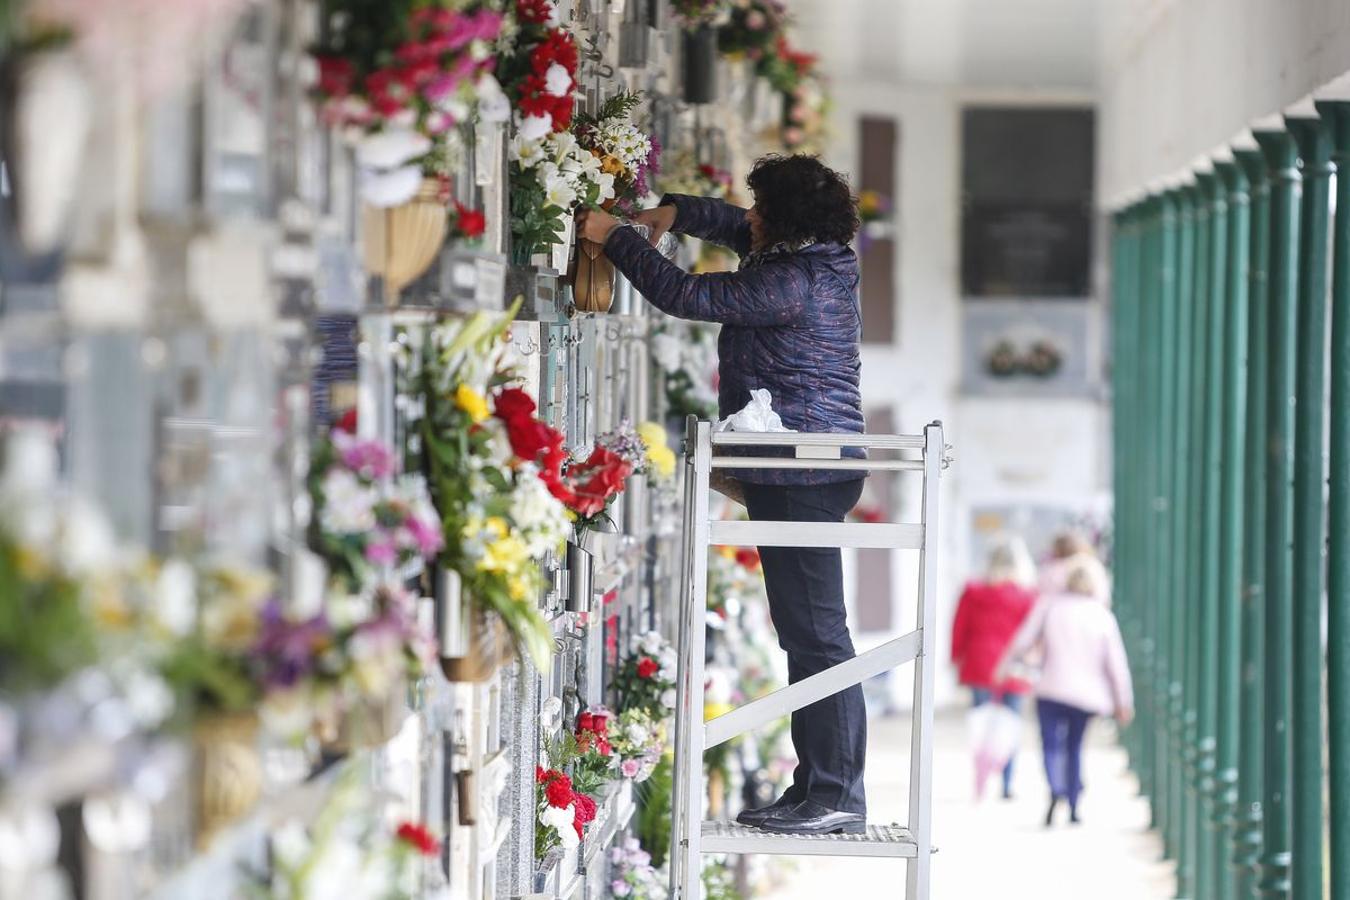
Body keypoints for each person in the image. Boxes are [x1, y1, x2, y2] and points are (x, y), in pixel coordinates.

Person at [577, 154, 866, 836]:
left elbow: (689, 297)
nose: (753, 216)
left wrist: (613, 237)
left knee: (820, 636)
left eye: (762, 207)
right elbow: (740, 229)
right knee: (806, 635)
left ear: (786, 218)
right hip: (798, 471)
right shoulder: (811, 257)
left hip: (805, 474)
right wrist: (675, 212)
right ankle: (816, 786)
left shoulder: (794, 281)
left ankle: (838, 795)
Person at [995, 559, 1133, 826]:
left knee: (1050, 743)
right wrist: (1123, 702)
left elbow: (1024, 639)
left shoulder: (1050, 606)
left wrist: (1003, 666)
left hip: (1051, 688)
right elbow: (1116, 665)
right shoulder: (1102, 615)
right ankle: (1073, 803)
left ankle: (1056, 787)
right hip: (1086, 696)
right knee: (1075, 746)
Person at [950, 537, 1038, 799]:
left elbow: (959, 627)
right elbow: (1032, 635)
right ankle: (1007, 783)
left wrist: (956, 658)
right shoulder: (1027, 595)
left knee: (982, 724)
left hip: (979, 663)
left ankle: (981, 779)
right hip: (1013, 667)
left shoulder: (974, 591)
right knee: (1009, 725)